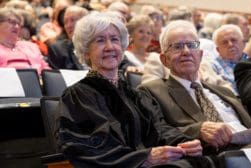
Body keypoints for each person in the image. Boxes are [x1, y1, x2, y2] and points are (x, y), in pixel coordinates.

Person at [55, 12, 212, 168]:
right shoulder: (77, 97)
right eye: (100, 40)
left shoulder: (137, 96)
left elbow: (161, 130)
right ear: (86, 51)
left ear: (123, 48)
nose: (110, 47)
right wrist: (143, 158)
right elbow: (85, 148)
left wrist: (185, 143)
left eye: (115, 39)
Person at [139, 20, 251, 155]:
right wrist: (198, 130)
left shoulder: (222, 91)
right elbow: (156, 131)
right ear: (164, 59)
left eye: (191, 46)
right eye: (177, 47)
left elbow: (249, 124)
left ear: (200, 55)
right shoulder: (153, 90)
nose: (186, 52)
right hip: (214, 153)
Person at [0, 8, 50, 75]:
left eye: (18, 24)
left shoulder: (31, 46)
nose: (17, 27)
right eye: (12, 22)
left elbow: (46, 70)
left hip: (36, 82)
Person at [47, 5, 88, 69]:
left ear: (86, 22)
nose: (68, 26)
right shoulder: (58, 50)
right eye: (65, 22)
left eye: (73, 20)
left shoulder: (99, 46)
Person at [211, 24, 247, 94]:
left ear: (243, 43)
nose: (230, 44)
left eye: (233, 40)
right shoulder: (213, 67)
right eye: (224, 42)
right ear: (218, 50)